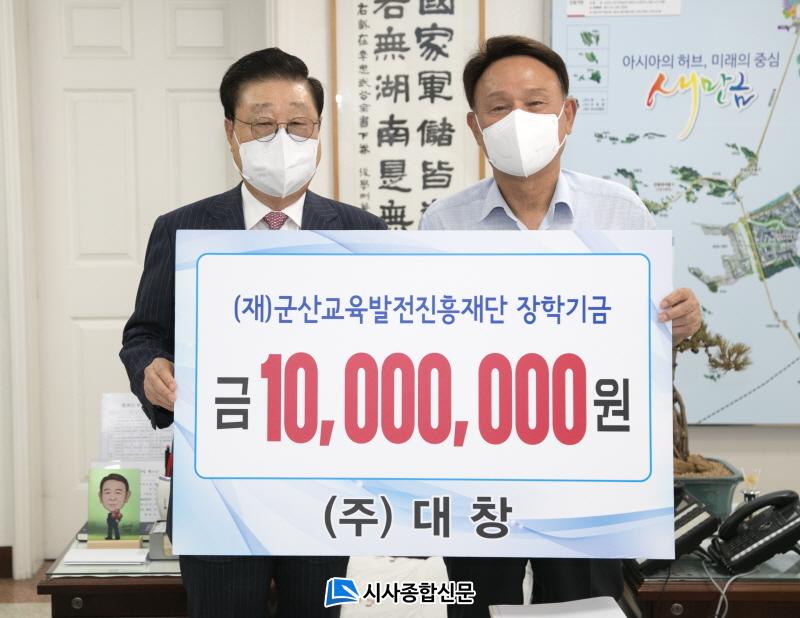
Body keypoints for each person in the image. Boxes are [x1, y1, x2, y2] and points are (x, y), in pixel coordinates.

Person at [420, 35, 702, 617]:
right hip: (478, 467)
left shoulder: (619, 211)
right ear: (475, 126)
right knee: (473, 602)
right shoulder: (443, 223)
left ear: (567, 115)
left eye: (535, 103)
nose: (517, 120)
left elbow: (652, 326)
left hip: (588, 468)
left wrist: (682, 318)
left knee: (586, 604)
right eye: (498, 108)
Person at [120, 47, 386, 618]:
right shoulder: (182, 228)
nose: (282, 140)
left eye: (298, 125)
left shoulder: (363, 233)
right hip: (219, 486)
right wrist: (150, 369)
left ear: (319, 131)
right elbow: (143, 333)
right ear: (231, 132)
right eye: (263, 125)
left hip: (328, 485)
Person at [98, 473, 130, 540]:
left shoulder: (118, 513)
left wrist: (117, 520)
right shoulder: (110, 514)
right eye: (107, 492)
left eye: (118, 492)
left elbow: (120, 516)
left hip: (115, 521)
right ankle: (109, 536)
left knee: (115, 528)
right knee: (110, 528)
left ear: (127, 496)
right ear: (100, 496)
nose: (112, 498)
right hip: (110, 521)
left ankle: (117, 537)